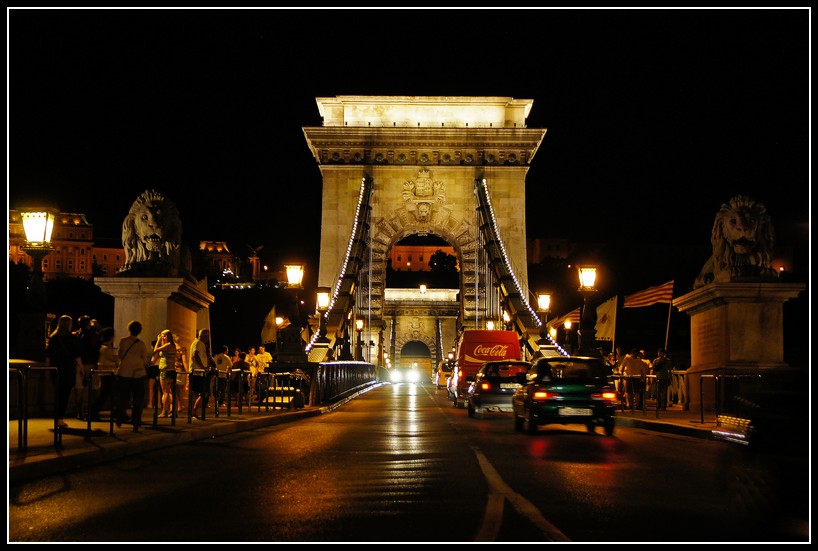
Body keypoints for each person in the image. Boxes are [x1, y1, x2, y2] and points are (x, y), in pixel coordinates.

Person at [45, 315, 84, 428]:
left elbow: (48, 355)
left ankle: (57, 417)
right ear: (69, 325)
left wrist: (48, 370)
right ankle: (60, 418)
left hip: (55, 369)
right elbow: (77, 355)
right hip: (67, 369)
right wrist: (81, 368)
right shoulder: (71, 338)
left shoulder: (53, 337)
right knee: (65, 394)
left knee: (58, 394)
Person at [115, 320, 150, 432]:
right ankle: (136, 421)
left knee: (122, 397)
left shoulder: (123, 341)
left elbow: (120, 355)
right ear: (139, 331)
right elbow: (144, 359)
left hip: (124, 372)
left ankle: (120, 417)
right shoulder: (141, 344)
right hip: (138, 373)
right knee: (138, 399)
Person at [74, 315, 102, 420]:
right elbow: (100, 340)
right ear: (88, 323)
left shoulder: (77, 336)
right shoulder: (94, 335)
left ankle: (80, 412)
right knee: (94, 389)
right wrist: (96, 327)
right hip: (91, 364)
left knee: (79, 389)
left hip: (79, 364)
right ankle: (93, 412)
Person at [89, 327, 119, 422]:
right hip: (108, 373)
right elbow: (113, 360)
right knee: (106, 394)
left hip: (104, 373)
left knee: (106, 394)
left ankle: (95, 411)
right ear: (111, 337)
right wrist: (116, 362)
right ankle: (94, 412)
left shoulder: (102, 348)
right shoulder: (106, 349)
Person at [188, 328, 214, 418]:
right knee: (199, 392)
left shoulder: (199, 343)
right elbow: (196, 354)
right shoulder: (198, 343)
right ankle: (193, 411)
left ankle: (194, 411)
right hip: (198, 372)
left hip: (200, 372)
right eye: (207, 336)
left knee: (202, 392)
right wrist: (203, 367)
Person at [153, 329, 177, 417]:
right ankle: (173, 410)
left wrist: (158, 340)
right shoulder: (172, 345)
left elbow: (155, 350)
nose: (162, 337)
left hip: (165, 370)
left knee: (165, 392)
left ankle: (164, 411)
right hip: (171, 370)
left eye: (163, 336)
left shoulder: (167, 345)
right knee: (171, 392)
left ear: (167, 336)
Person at [173, 335, 189, 413]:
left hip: (172, 370)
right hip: (180, 370)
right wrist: (188, 372)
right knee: (179, 389)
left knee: (173, 390)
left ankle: (175, 406)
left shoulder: (170, 349)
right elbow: (184, 361)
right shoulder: (182, 349)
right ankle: (179, 405)